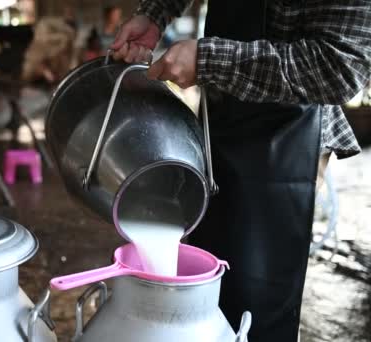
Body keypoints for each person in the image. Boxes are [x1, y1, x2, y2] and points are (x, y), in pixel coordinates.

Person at [111, 1, 370, 342]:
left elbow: (339, 66)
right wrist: (156, 13)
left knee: (255, 303)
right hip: (221, 116)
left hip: (284, 136)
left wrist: (208, 60)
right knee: (209, 282)